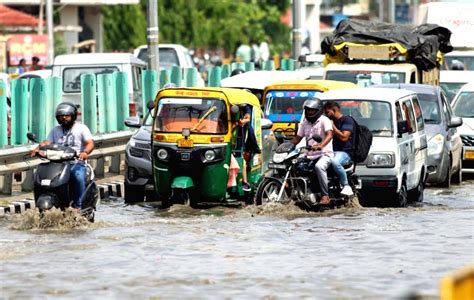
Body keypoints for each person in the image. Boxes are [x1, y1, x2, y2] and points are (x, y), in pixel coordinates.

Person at [31, 102, 95, 209]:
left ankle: (78, 206)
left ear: (73, 116)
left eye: (66, 116)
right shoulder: (55, 130)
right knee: (39, 175)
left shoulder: (81, 128)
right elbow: (47, 142)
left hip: (76, 162)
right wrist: (37, 149)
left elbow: (90, 143)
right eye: (61, 116)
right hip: (57, 163)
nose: (64, 118)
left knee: (77, 176)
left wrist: (85, 153)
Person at [290, 98, 333, 205]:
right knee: (294, 165)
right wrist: (285, 147)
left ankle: (325, 195)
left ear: (318, 110)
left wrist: (320, 145)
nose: (309, 112)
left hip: (324, 154)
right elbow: (298, 138)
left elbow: (329, 134)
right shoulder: (305, 122)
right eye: (308, 110)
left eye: (312, 110)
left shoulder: (324, 120)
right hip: (309, 154)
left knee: (319, 166)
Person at [323, 101, 355, 197]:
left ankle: (346, 185)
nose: (326, 115)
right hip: (331, 151)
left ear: (334, 110)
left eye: (327, 112)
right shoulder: (328, 122)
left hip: (345, 152)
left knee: (334, 162)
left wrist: (332, 127)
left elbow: (344, 137)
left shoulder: (347, 120)